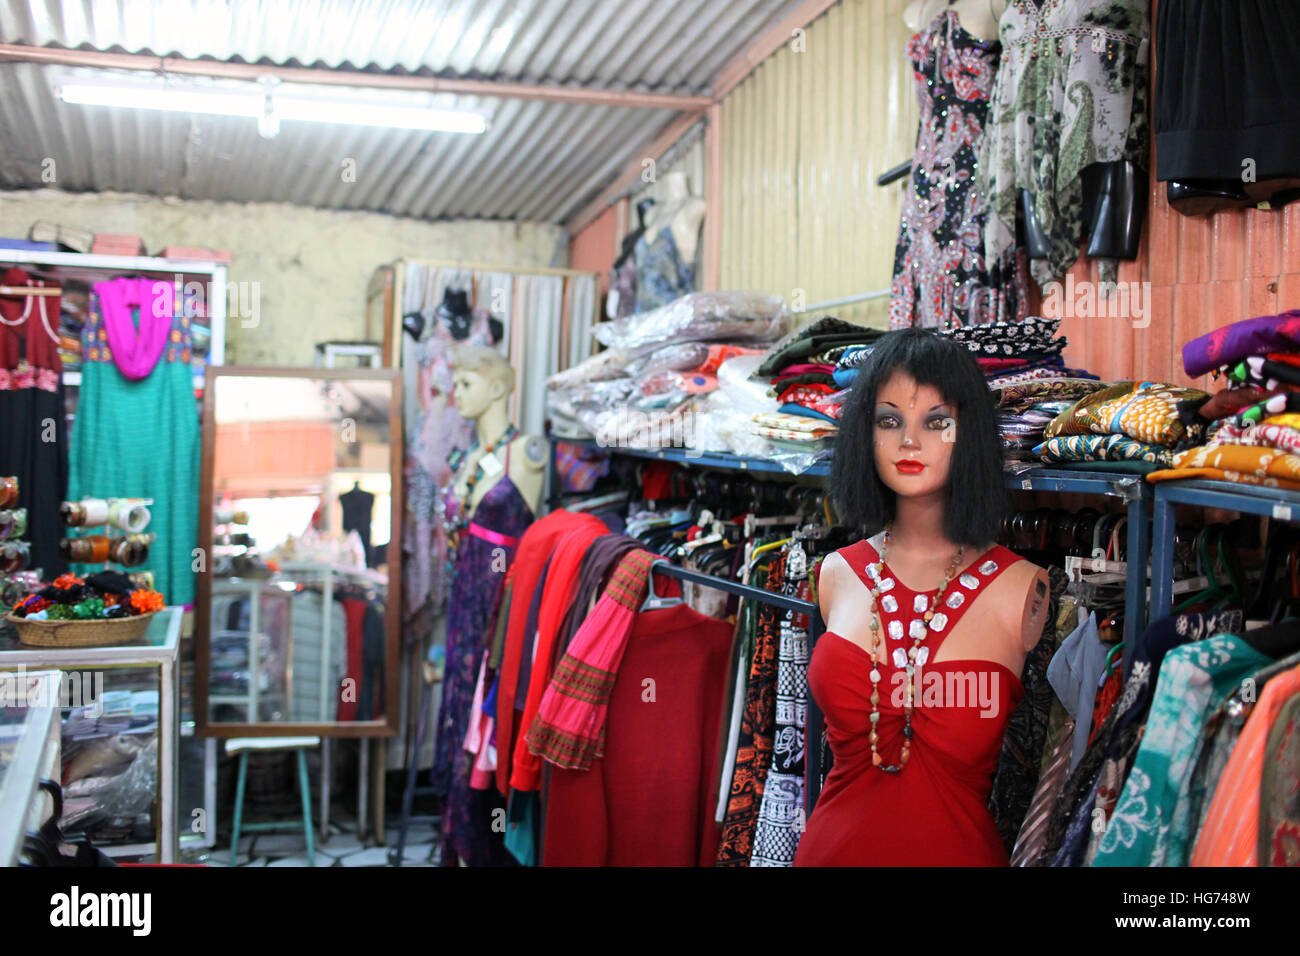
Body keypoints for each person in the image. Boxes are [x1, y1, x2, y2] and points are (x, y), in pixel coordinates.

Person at [794, 328, 1049, 866]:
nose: (911, 441)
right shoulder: (836, 573)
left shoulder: (1020, 586)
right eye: (890, 421)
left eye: (937, 422)